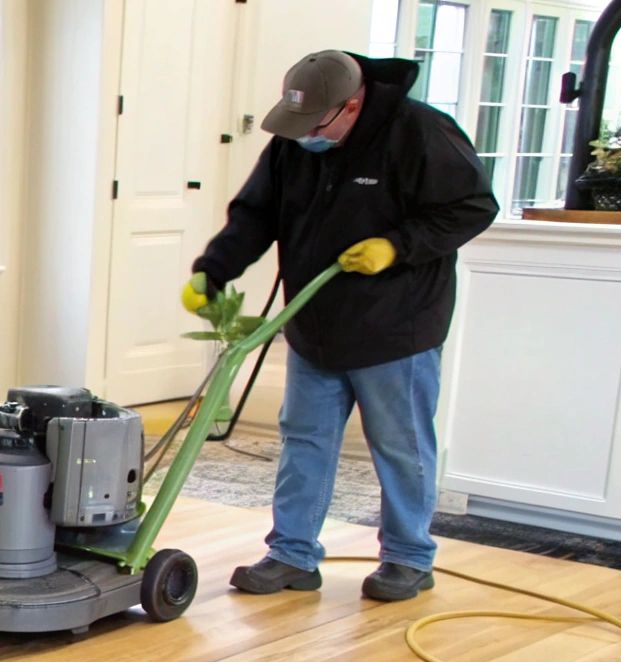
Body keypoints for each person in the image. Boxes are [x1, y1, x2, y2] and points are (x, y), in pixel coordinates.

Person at [182, 50, 499, 602]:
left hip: (395, 326)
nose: (305, 136)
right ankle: (292, 554)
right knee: (304, 439)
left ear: (352, 106)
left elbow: (472, 206)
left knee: (399, 446)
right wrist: (214, 270)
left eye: (315, 126)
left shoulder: (420, 132)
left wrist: (396, 247)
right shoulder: (297, 137)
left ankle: (408, 558)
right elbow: (257, 213)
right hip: (315, 322)